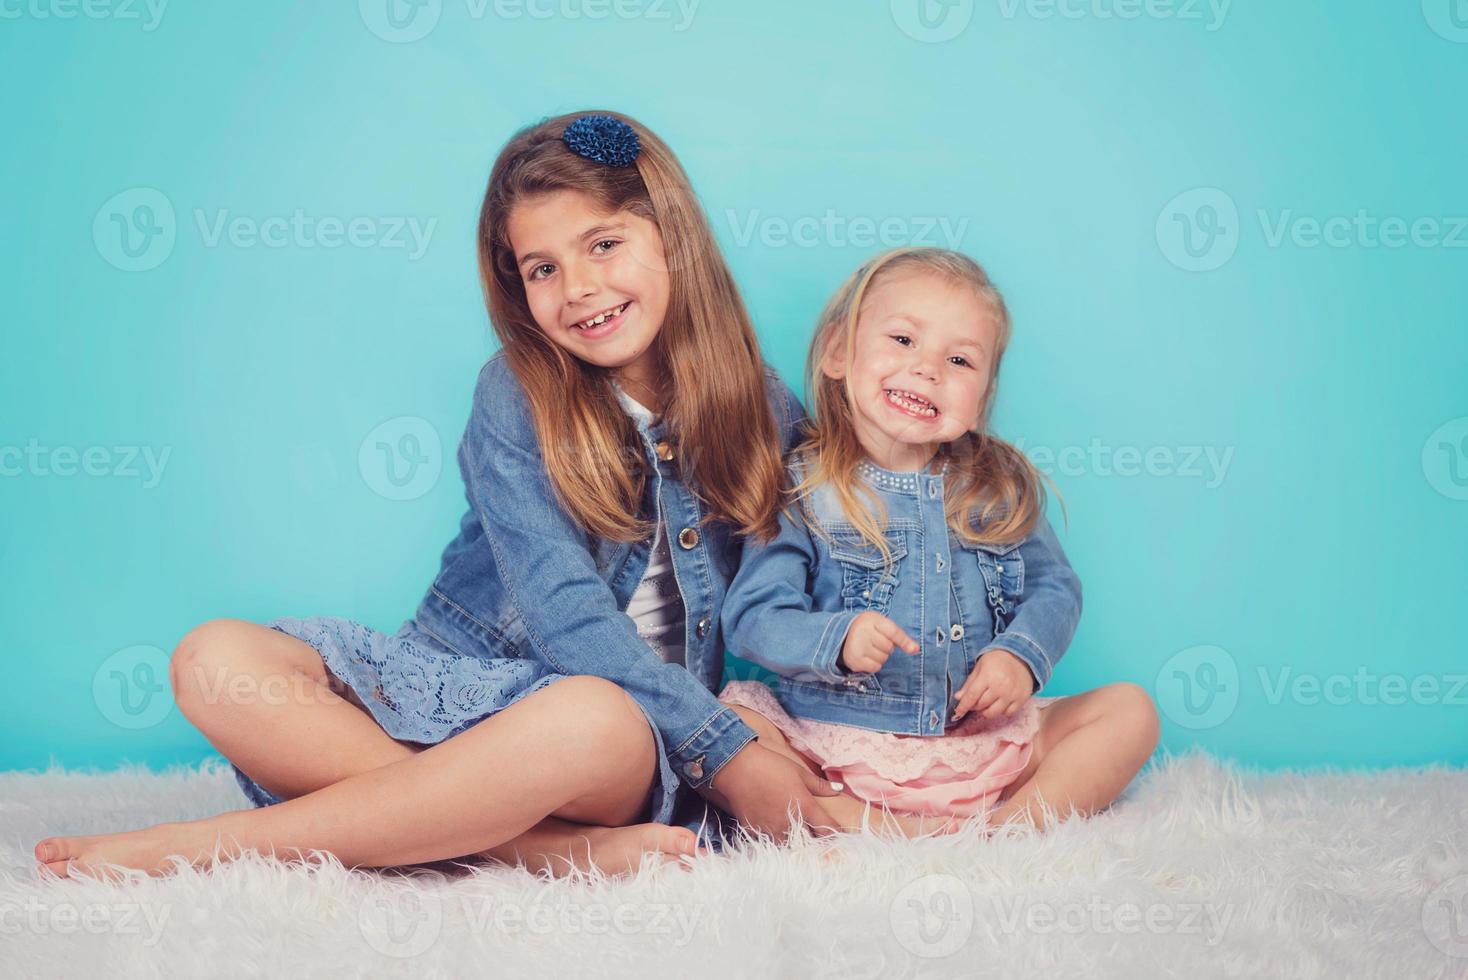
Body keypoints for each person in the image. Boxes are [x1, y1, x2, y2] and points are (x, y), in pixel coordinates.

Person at [34, 111, 845, 881]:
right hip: (459, 684)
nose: (579, 288)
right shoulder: (518, 393)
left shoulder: (763, 410)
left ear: (674, 237)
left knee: (587, 713)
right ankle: (534, 848)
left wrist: (738, 739)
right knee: (213, 661)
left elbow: (816, 573)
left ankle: (215, 844)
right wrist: (729, 753)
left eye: (604, 244)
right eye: (543, 269)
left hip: (617, 736)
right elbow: (561, 607)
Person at [718, 246, 1160, 836]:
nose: (927, 369)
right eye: (902, 340)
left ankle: (1007, 826)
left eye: (959, 359)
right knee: (728, 729)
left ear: (980, 400)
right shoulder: (800, 488)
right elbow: (753, 616)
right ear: (837, 353)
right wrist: (836, 638)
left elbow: (1055, 587)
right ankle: (864, 820)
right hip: (831, 742)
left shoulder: (995, 486)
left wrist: (1020, 657)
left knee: (1131, 712)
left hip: (978, 741)